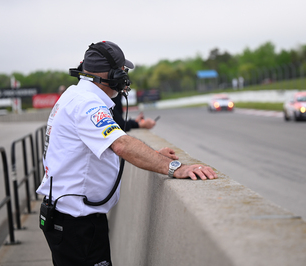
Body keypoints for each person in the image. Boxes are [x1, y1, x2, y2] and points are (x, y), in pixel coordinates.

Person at [36, 40, 217, 266]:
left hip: (68, 219)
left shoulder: (75, 95)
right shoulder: (87, 104)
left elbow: (103, 147)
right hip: (77, 226)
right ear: (112, 76)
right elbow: (121, 144)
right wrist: (175, 168)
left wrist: (154, 155)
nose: (125, 79)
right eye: (122, 72)